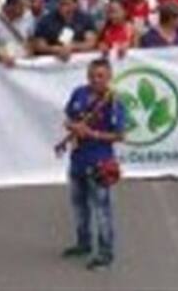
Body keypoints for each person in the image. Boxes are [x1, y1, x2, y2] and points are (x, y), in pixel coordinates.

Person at [61, 58, 125, 271]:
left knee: (101, 210)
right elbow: (67, 118)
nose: (95, 80)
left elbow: (119, 135)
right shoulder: (78, 93)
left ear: (109, 77)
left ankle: (106, 254)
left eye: (100, 76)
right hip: (77, 159)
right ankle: (83, 243)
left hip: (100, 162)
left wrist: (92, 133)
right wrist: (74, 126)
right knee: (79, 206)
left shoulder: (114, 101)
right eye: (92, 75)